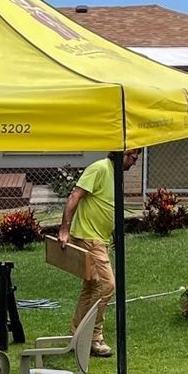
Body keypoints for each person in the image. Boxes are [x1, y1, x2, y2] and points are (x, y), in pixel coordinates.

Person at [56, 149, 140, 357]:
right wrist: (64, 229)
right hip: (88, 237)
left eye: (137, 156)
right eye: (133, 155)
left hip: (100, 239)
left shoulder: (114, 173)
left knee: (92, 286)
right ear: (121, 153)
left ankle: (76, 334)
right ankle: (94, 336)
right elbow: (75, 195)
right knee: (107, 285)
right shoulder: (100, 168)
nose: (135, 161)